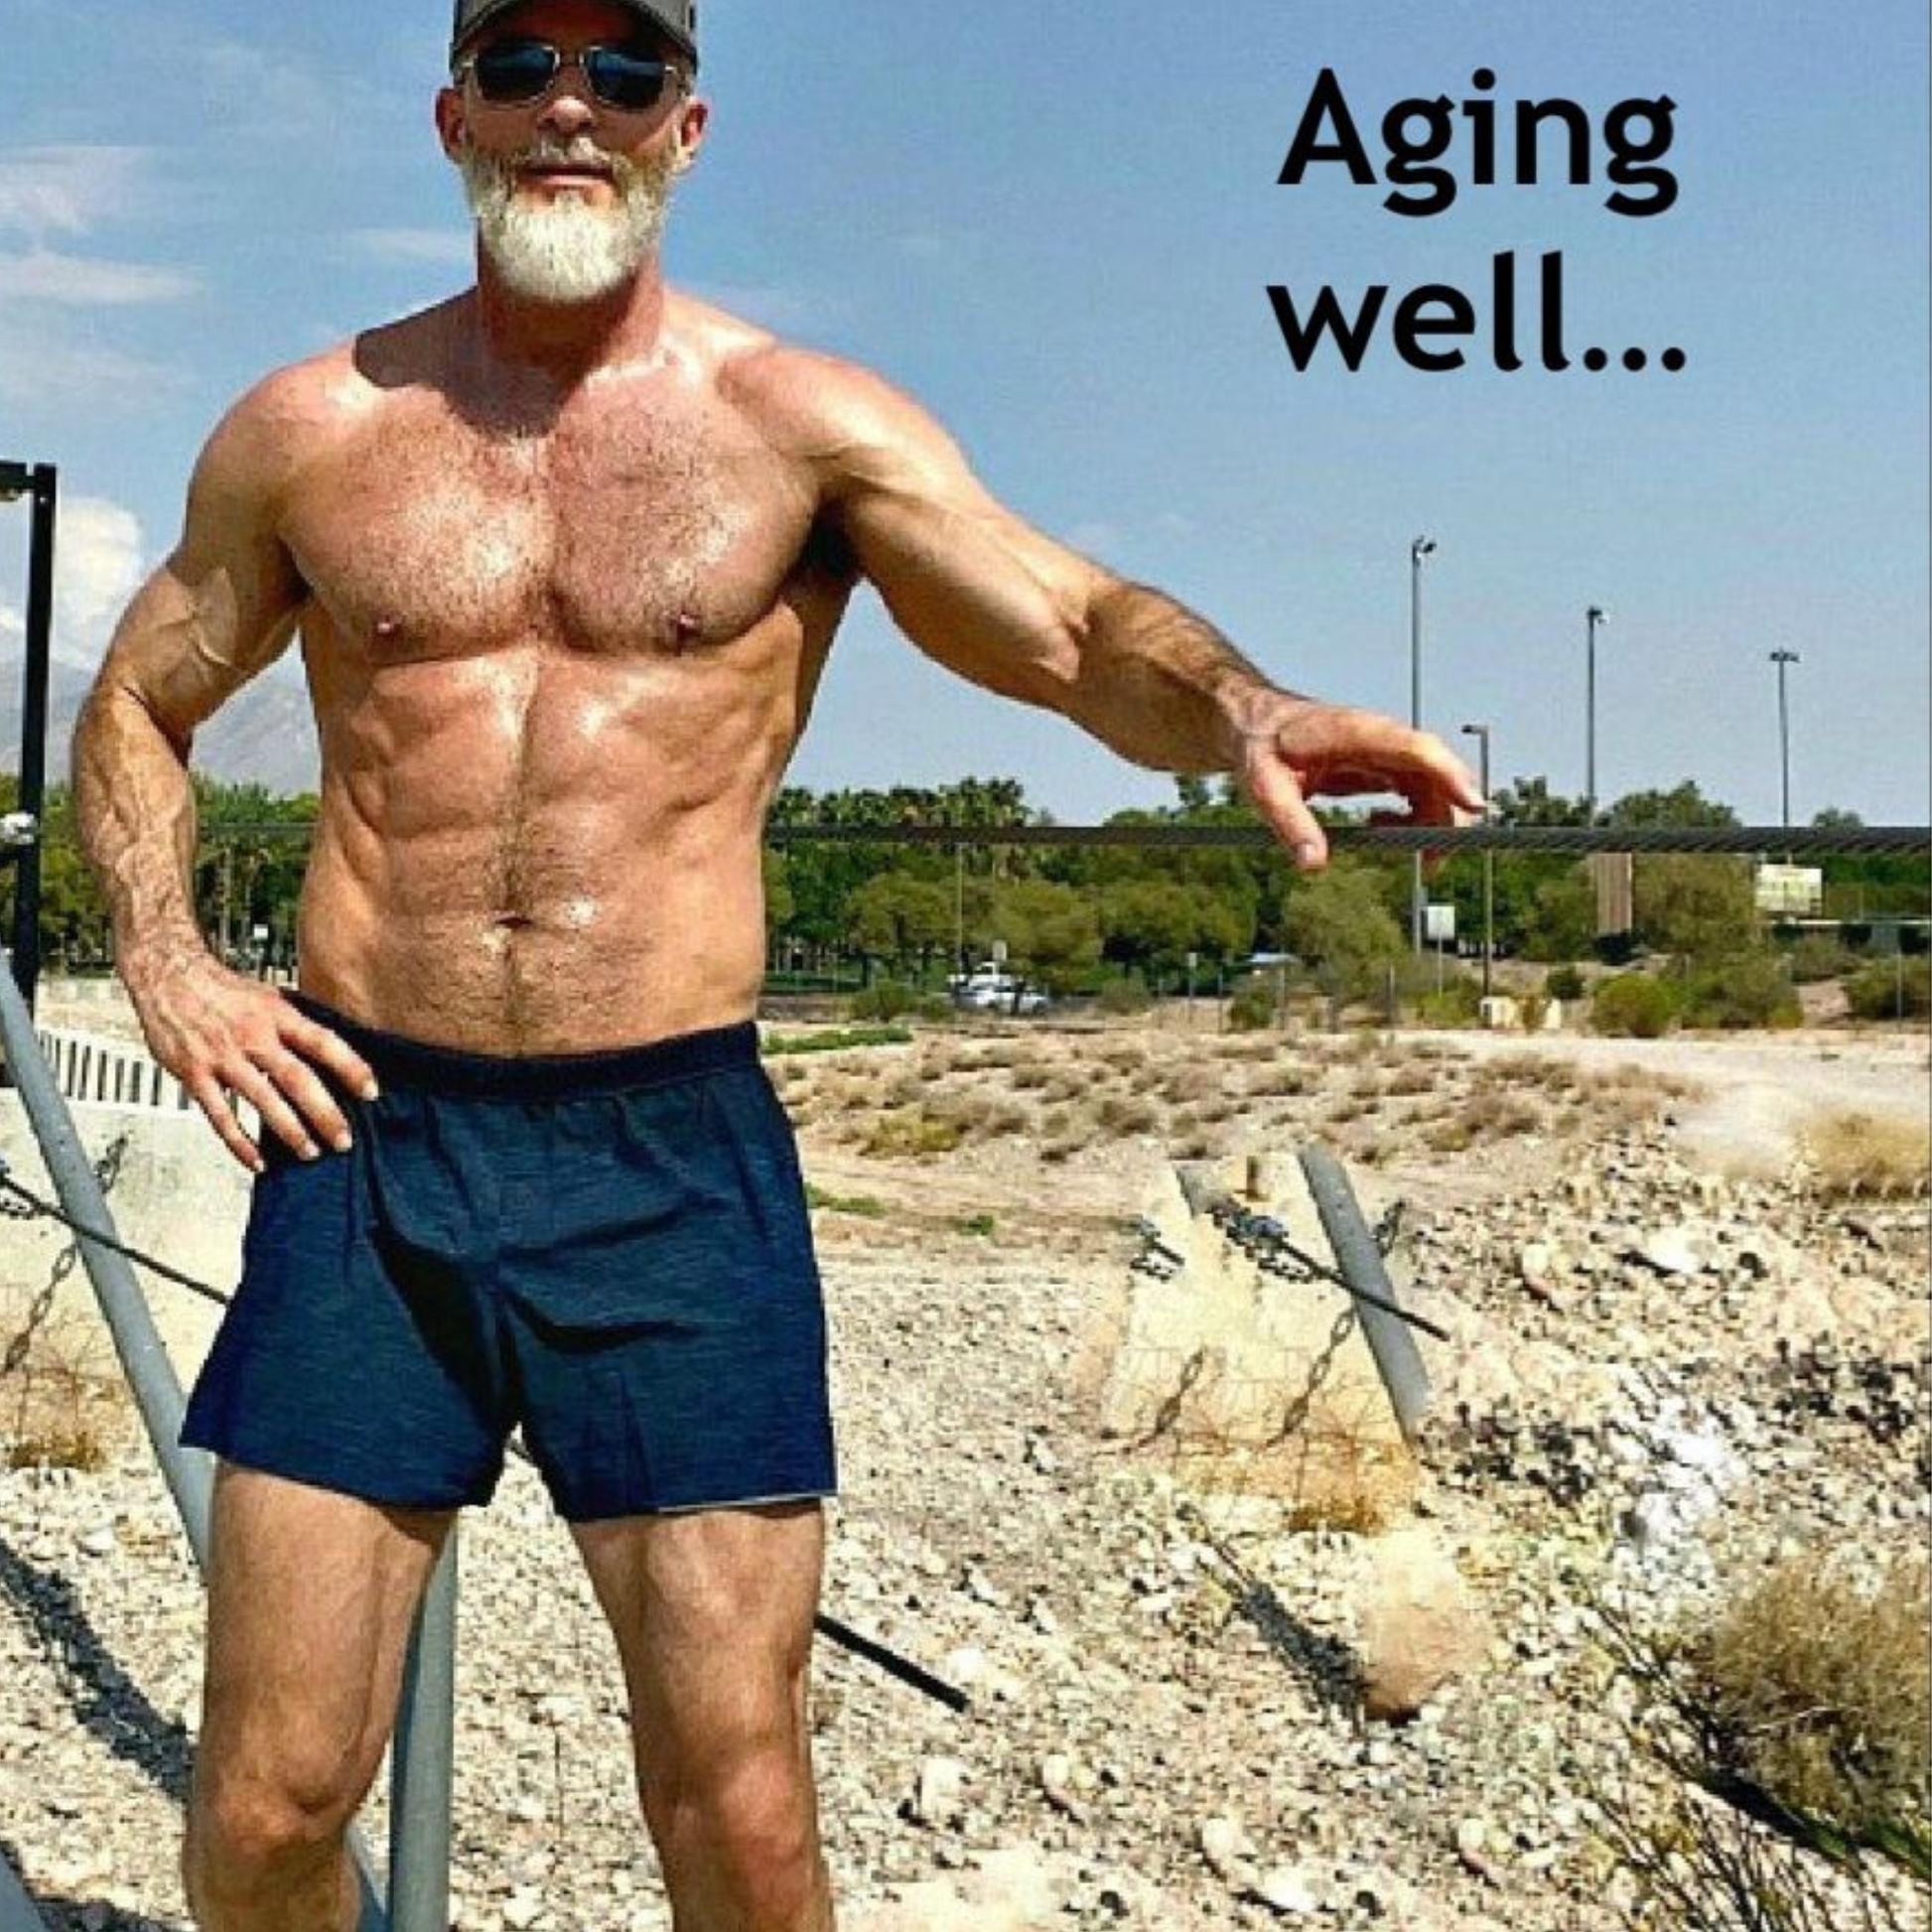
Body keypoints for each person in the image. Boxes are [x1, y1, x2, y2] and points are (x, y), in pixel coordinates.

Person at [72, 2, 1483, 1926]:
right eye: (522, 64)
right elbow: (139, 699)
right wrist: (166, 960)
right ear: (452, 112)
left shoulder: (797, 426)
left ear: (688, 123)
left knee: (737, 1803)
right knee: (266, 1803)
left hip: (669, 1163)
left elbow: (1070, 629)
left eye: (624, 71)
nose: (571, 107)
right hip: (371, 1148)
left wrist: (1244, 703)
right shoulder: (312, 430)